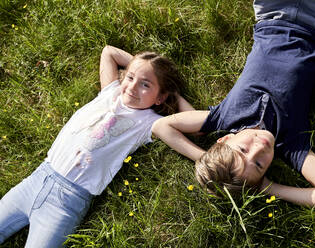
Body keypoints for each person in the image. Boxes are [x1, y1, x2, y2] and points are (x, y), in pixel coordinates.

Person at [153, 0, 315, 210]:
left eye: (243, 149)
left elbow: (160, 127)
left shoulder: (224, 117)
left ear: (225, 139)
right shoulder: (291, 143)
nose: (259, 148)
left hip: (273, 12)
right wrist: (268, 188)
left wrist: (205, 158)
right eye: (259, 165)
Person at [0, 45, 194, 247]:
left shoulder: (149, 123)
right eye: (130, 77)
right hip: (36, 179)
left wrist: (174, 96)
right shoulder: (110, 92)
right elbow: (109, 52)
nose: (132, 87)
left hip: (66, 203)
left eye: (145, 85)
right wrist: (141, 67)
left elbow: (195, 126)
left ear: (160, 97)